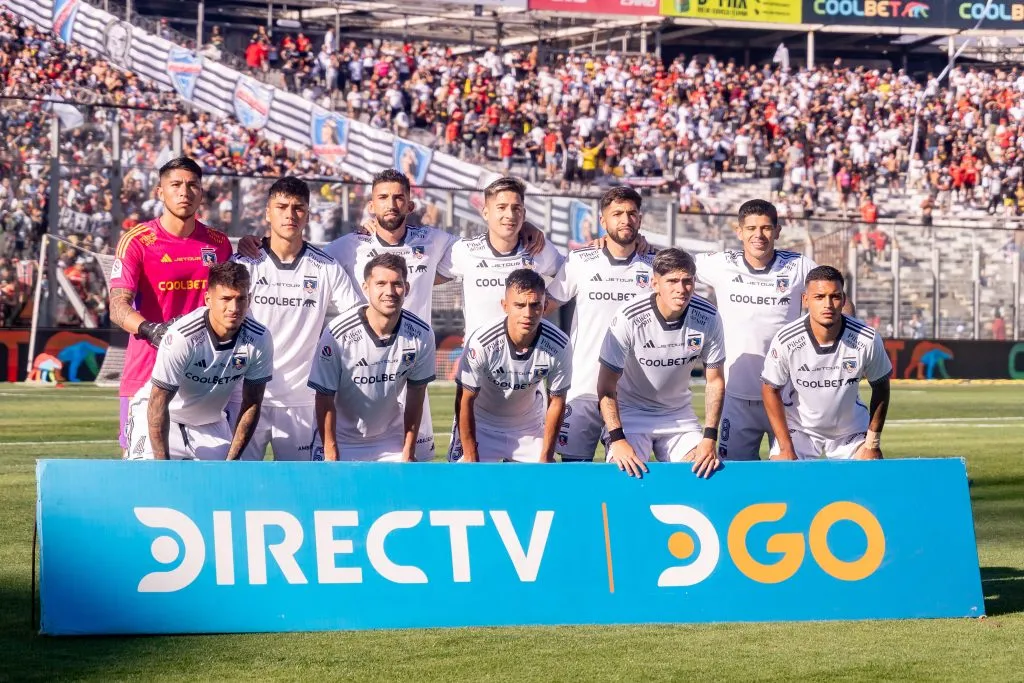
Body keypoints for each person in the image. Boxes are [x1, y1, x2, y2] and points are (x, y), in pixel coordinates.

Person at [108, 157, 233, 456]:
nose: (184, 192)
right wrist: (152, 331)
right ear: (160, 192)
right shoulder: (137, 241)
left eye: (193, 186)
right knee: (143, 474)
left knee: (209, 480)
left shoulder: (219, 244)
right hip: (146, 374)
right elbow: (117, 306)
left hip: (203, 378)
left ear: (201, 194)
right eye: (175, 185)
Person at [231, 177, 361, 460]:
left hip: (302, 400)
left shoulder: (326, 267)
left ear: (308, 214)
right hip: (244, 395)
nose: (290, 215)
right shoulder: (243, 262)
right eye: (281, 207)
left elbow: (356, 323)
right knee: (236, 484)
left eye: (298, 208)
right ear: (267, 212)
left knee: (302, 488)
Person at [694, 199, 816, 461]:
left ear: (778, 231)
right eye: (750, 228)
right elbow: (671, 265)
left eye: (766, 228)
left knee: (790, 473)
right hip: (735, 397)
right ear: (739, 232)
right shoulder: (720, 264)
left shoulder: (799, 266)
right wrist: (635, 246)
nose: (758, 235)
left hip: (786, 397)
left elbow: (834, 292)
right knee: (734, 477)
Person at [546, 186, 656, 462]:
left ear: (640, 220)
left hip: (631, 395)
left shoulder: (655, 266)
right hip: (582, 386)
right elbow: (546, 304)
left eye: (632, 213)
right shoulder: (581, 261)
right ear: (602, 220)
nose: (625, 219)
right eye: (617, 213)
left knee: (626, 471)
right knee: (573, 470)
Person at [597, 248, 725, 479]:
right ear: (655, 284)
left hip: (678, 415)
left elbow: (715, 381)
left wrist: (709, 437)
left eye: (687, 281)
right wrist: (618, 439)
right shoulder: (629, 316)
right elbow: (606, 386)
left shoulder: (709, 316)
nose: (681, 289)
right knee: (624, 476)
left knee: (704, 473)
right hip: (631, 415)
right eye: (672, 281)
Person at [125, 262, 273, 460]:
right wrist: (162, 468)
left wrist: (233, 459)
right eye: (226, 299)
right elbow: (158, 402)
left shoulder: (260, 338)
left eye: (241, 299)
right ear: (208, 299)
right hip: (160, 416)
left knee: (224, 485)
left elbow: (252, 403)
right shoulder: (182, 336)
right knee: (149, 480)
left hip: (210, 424)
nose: (234, 308)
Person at [307, 253, 436, 462]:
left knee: (401, 495)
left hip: (389, 438)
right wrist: (330, 452)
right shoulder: (337, 334)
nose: (390, 291)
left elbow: (416, 394)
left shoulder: (421, 333)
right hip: (341, 439)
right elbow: (323, 398)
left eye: (397, 284)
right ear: (366, 288)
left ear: (407, 288)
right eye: (381, 283)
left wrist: (408, 449)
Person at [761, 266, 891, 460]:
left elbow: (881, 387)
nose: (828, 304)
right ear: (806, 300)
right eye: (819, 297)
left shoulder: (867, 338)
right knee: (784, 476)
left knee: (868, 473)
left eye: (835, 296)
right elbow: (769, 389)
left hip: (850, 430)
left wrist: (872, 443)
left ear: (844, 300)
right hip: (800, 428)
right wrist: (785, 446)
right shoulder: (786, 340)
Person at [450, 269, 571, 464]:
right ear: (505, 306)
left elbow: (557, 401)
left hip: (528, 427)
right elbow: (464, 399)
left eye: (535, 305)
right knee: (467, 487)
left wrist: (547, 455)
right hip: (482, 424)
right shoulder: (482, 342)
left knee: (540, 488)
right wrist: (471, 454)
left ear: (545, 305)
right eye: (519, 305)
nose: (528, 313)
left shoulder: (559, 344)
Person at [438, 176, 563, 337]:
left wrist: (542, 306)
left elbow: (571, 279)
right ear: (485, 213)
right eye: (501, 207)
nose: (510, 215)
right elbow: (424, 278)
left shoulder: (539, 248)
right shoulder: (463, 251)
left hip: (526, 357)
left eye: (516, 208)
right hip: (479, 358)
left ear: (524, 214)